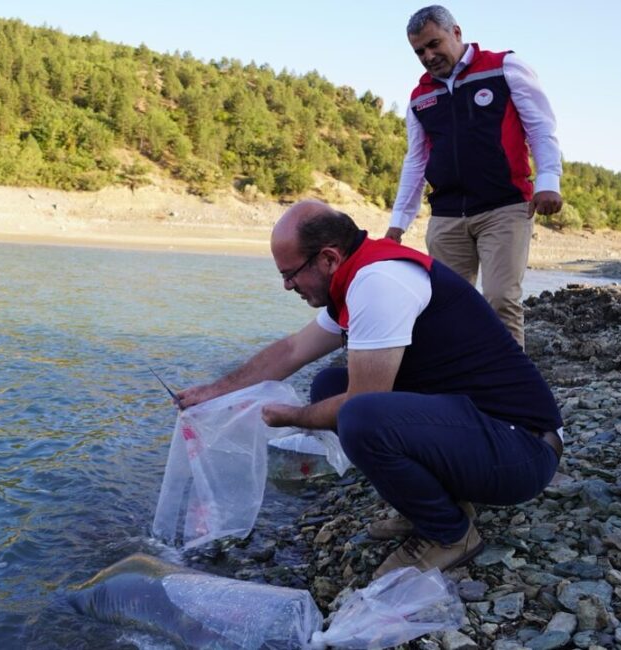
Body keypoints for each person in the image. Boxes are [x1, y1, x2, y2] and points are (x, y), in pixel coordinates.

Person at [178, 200, 564, 578]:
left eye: (290, 273)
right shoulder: (358, 275)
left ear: (328, 258)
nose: (286, 285)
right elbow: (293, 349)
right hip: (487, 433)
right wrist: (214, 391)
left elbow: (361, 404)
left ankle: (450, 534)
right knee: (329, 384)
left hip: (523, 452)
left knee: (359, 416)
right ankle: (441, 503)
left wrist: (291, 418)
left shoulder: (379, 282)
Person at [384, 5, 563, 349]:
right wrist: (398, 223)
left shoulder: (504, 67)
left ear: (456, 32)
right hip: (447, 215)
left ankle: (512, 393)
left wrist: (548, 181)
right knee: (448, 306)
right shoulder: (420, 96)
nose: (428, 56)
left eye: (434, 44)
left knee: (500, 300)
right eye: (420, 51)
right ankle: (463, 382)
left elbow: (541, 126)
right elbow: (416, 161)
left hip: (505, 207)